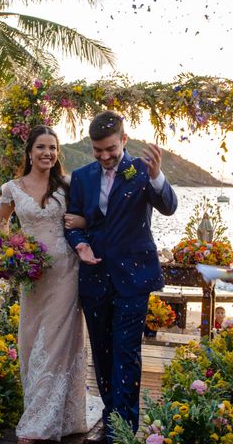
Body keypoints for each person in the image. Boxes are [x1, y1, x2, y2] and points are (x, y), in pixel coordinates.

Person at [65, 110, 178, 442]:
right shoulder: (82, 176)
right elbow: (71, 222)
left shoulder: (141, 171)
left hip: (133, 278)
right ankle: (110, 412)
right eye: (98, 150)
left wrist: (157, 176)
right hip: (94, 275)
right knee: (102, 351)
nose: (104, 156)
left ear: (124, 141)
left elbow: (169, 206)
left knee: (126, 351)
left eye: (110, 149)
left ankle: (122, 429)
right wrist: (80, 245)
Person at [0, 126, 96, 443]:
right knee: (31, 341)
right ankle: (57, 414)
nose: (47, 154)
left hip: (66, 271)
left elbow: (86, 220)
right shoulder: (11, 188)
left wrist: (80, 223)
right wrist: (10, 255)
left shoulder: (67, 185)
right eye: (41, 147)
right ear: (29, 152)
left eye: (52, 148)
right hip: (32, 275)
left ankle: (39, 422)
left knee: (56, 342)